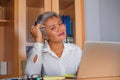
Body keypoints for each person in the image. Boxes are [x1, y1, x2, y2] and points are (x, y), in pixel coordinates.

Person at [25, 11, 82, 77]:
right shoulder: (37, 52)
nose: (60, 29)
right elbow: (31, 76)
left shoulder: (76, 50)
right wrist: (38, 39)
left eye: (60, 23)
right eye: (52, 28)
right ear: (44, 35)